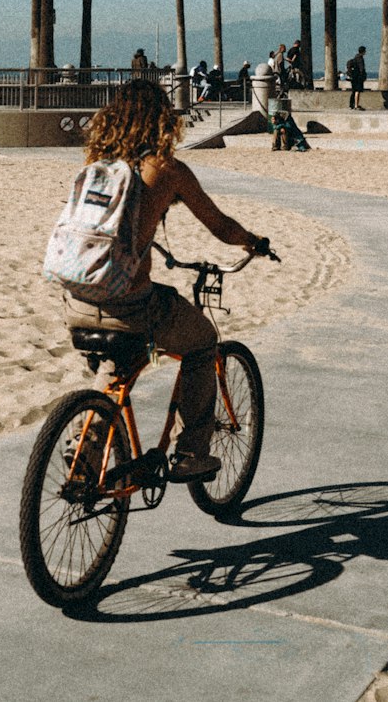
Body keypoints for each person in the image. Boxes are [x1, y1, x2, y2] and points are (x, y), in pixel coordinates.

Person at [62, 80, 268, 482]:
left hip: (76, 301)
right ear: (161, 121)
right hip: (130, 307)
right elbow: (220, 226)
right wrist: (253, 242)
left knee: (117, 366)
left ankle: (83, 446)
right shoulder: (166, 169)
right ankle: (190, 452)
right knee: (203, 342)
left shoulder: (95, 167)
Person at [346, 45, 367, 110]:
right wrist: (363, 76)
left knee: (353, 91)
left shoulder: (355, 58)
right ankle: (356, 105)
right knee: (357, 91)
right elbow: (362, 69)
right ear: (363, 51)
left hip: (353, 77)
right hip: (358, 77)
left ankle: (351, 105)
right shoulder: (360, 58)